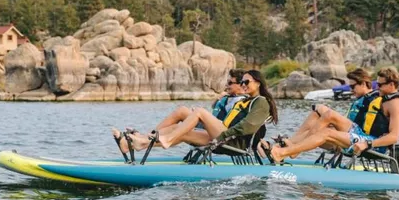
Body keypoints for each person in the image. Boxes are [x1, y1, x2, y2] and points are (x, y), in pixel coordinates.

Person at [113, 69, 278, 153]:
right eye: (241, 82)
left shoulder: (261, 102)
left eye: (246, 82)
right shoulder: (247, 101)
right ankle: (138, 143)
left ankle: (167, 140)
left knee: (199, 112)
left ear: (257, 83)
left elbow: (248, 126)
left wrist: (223, 136)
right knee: (180, 129)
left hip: (232, 141)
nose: (243, 85)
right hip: (223, 135)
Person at [269, 67, 399, 164]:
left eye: (380, 85)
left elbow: (394, 136)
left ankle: (285, 152)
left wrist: (367, 143)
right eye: (376, 84)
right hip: (363, 134)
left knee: (326, 132)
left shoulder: (396, 104)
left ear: (391, 84)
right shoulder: (384, 99)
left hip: (373, 144)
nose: (377, 87)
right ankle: (291, 148)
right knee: (328, 115)